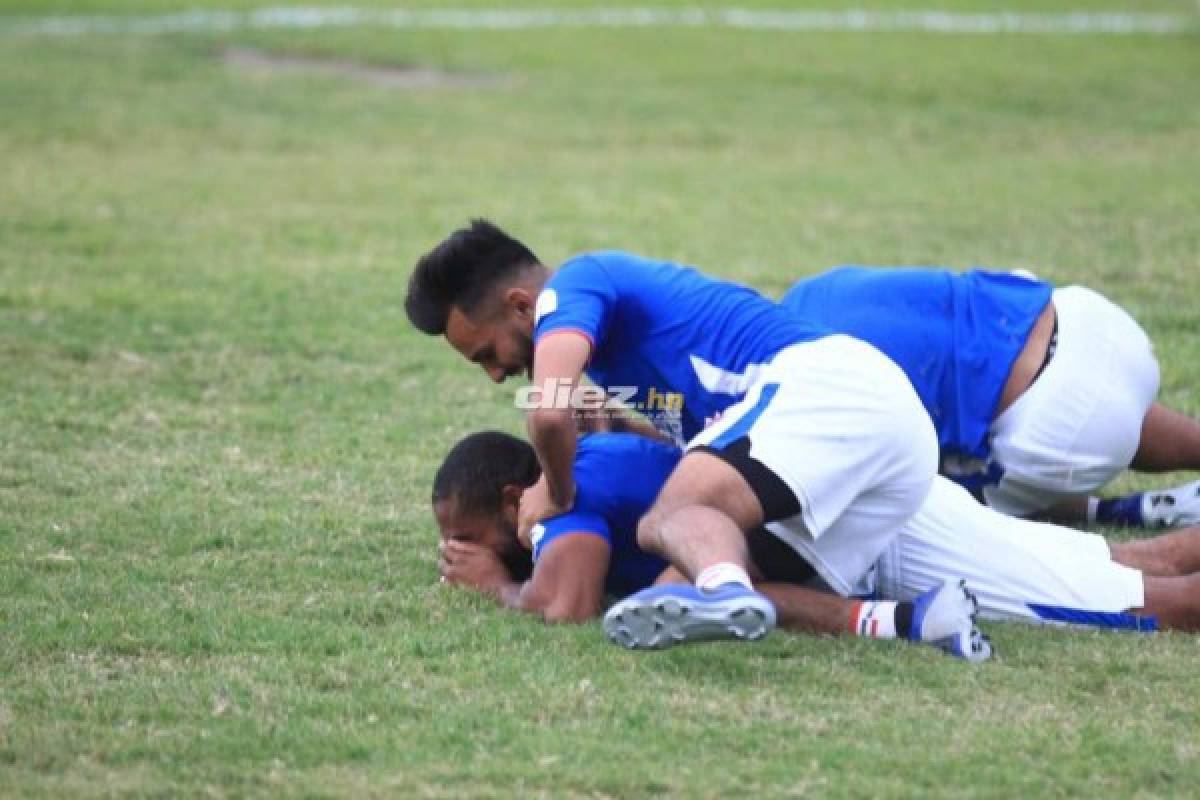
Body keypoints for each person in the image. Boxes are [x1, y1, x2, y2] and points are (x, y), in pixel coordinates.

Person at [408, 220, 942, 649]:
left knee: (668, 519)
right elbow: (697, 442)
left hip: (829, 394)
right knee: (659, 598)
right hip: (884, 446)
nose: (497, 374)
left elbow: (547, 415)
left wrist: (556, 488)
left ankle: (725, 589)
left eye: (487, 354)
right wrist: (619, 430)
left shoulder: (573, 286)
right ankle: (902, 621)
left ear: (523, 306)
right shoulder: (612, 347)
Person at [433, 431, 1200, 654]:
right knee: (1133, 565)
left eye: (467, 538)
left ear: (514, 498)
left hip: (881, 536)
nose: (457, 555)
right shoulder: (597, 464)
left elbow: (564, 607)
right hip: (878, 507)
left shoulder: (561, 501)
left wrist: (495, 586)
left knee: (1151, 606)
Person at [780, 266, 1200, 528]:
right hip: (1093, 326)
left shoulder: (804, 366)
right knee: (1046, 389)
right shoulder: (815, 290)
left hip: (1064, 431)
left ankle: (1114, 513)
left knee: (926, 507)